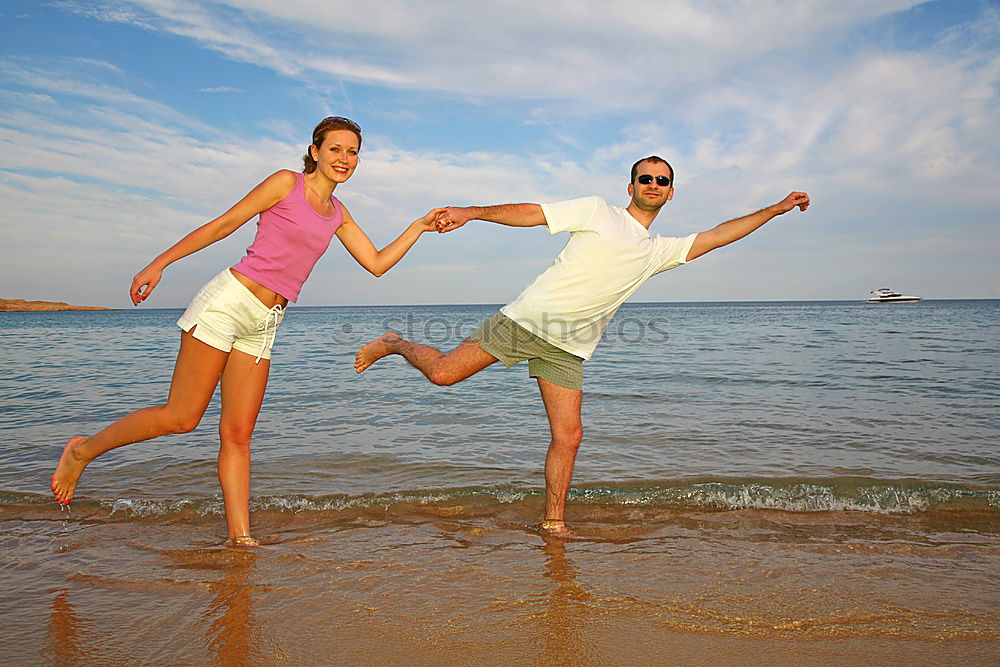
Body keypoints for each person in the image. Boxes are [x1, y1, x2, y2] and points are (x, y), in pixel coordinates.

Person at [355, 155, 810, 536]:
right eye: (645, 177)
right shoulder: (598, 212)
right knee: (444, 375)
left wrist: (774, 209)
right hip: (528, 321)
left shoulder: (658, 250)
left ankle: (553, 523)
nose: (653, 184)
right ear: (630, 185)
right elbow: (533, 212)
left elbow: (719, 235)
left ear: (671, 193)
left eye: (662, 181)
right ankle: (395, 343)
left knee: (569, 436)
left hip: (569, 348)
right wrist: (473, 212)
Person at [51, 116, 444, 545]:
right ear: (315, 152)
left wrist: (419, 227)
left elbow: (377, 263)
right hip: (226, 305)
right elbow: (224, 224)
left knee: (238, 435)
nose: (344, 159)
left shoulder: (338, 214)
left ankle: (240, 538)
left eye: (352, 152)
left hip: (265, 324)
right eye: (335, 149)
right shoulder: (285, 184)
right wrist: (160, 262)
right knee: (182, 418)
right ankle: (81, 451)